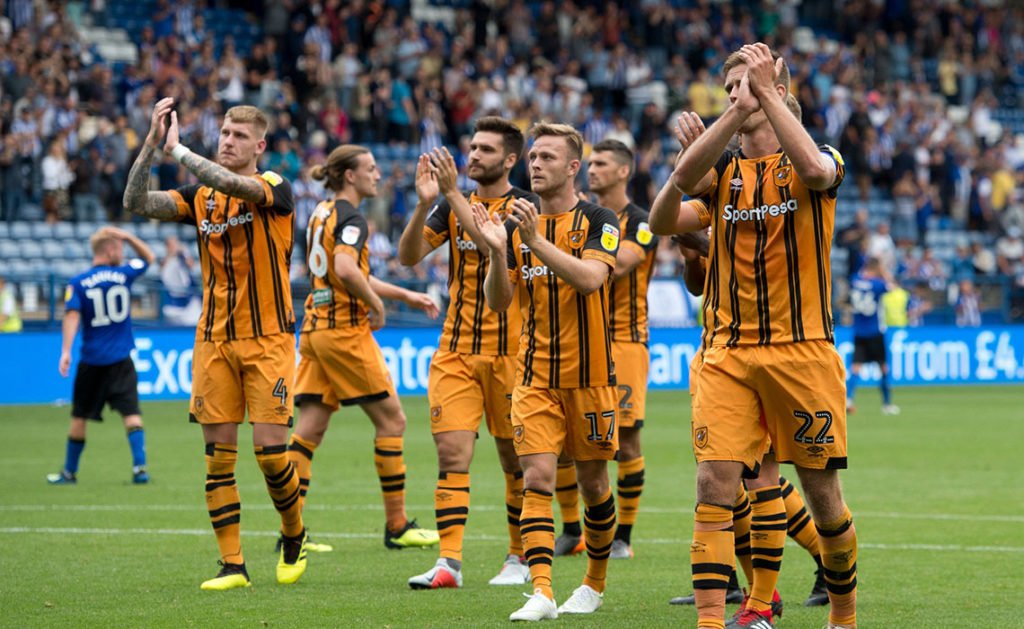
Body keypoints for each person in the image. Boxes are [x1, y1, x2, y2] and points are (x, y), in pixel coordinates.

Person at [656, 43, 858, 629]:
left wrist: (766, 93)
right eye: (730, 89)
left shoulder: (816, 158)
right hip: (726, 352)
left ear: (777, 88)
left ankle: (842, 616)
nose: (736, 96)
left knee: (823, 501)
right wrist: (715, 132)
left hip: (802, 351)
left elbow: (819, 174)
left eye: (747, 84)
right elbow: (662, 221)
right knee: (716, 482)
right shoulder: (721, 174)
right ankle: (720, 620)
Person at [123, 98, 308, 590]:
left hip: (268, 338)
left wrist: (178, 149)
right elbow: (136, 203)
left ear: (260, 146)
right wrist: (149, 147)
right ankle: (233, 565)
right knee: (218, 457)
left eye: (239, 136)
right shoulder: (199, 197)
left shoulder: (274, 188)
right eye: (225, 133)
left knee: (271, 454)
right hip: (213, 341)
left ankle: (295, 532)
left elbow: (231, 183)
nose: (228, 140)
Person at [475, 123, 621, 621]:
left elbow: (591, 279)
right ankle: (541, 590)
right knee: (536, 477)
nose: (534, 165)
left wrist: (533, 242)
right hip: (534, 377)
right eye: (532, 157)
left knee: (594, 485)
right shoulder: (517, 227)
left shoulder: (601, 219)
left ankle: (594, 584)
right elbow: (499, 301)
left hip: (592, 379)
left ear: (573, 167)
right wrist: (498, 250)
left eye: (547, 158)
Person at [397, 117, 536, 589]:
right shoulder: (453, 204)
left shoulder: (526, 207)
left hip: (513, 353)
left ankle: (519, 556)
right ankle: (449, 563)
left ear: (510, 159)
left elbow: (495, 247)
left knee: (514, 461)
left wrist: (452, 195)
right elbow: (408, 256)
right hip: (456, 350)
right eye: (472, 147)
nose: (473, 155)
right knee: (452, 453)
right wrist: (423, 207)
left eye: (485, 149)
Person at [288, 144, 441, 554]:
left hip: (316, 329)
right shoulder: (353, 217)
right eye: (371, 168)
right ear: (350, 176)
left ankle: (293, 532)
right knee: (393, 422)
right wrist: (376, 305)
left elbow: (343, 272)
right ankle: (397, 525)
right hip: (344, 331)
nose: (378, 174)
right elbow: (346, 269)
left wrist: (405, 297)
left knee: (309, 430)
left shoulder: (322, 212)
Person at [552, 139, 658, 561]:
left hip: (625, 339)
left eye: (601, 164)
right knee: (560, 437)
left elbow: (622, 263)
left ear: (623, 172)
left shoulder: (641, 221)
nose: (592, 170)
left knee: (626, 441)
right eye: (589, 163)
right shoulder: (575, 217)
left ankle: (623, 537)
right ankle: (572, 529)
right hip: (577, 339)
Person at [47, 227, 155, 485]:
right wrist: (128, 236)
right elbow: (149, 258)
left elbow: (72, 316)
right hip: (121, 359)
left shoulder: (78, 283)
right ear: (109, 249)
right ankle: (140, 469)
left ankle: (70, 472)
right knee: (131, 414)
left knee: (79, 416)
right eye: (119, 247)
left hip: (92, 360)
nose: (122, 252)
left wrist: (65, 351)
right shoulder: (123, 274)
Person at [847, 257, 900, 415]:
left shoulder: (855, 280)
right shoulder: (878, 284)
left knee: (855, 367)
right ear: (877, 268)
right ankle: (887, 404)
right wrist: (884, 272)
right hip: (875, 331)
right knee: (883, 367)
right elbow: (893, 287)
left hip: (858, 331)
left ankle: (849, 399)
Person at [159, 235, 201, 326]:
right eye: (171, 245)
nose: (174, 246)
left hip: (188, 299)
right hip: (172, 300)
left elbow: (191, 265)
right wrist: (171, 254)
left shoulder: (183, 256)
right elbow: (162, 269)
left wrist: (183, 253)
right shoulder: (166, 260)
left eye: (175, 244)